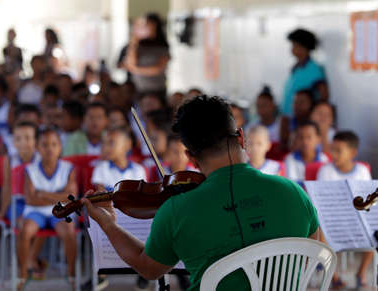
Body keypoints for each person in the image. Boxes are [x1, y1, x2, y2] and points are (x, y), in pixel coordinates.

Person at [81, 95, 319, 291]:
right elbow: (312, 252)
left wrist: (109, 224)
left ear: (190, 157)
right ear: (242, 138)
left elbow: (149, 268)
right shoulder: (293, 192)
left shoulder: (177, 209)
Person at [17, 127, 77, 290]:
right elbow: (30, 199)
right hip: (36, 212)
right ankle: (22, 273)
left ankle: (71, 273)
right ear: (37, 148)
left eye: (54, 144)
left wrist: (42, 193)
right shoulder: (30, 169)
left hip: (61, 212)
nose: (49, 148)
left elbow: (72, 197)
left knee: (69, 232)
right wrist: (59, 196)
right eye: (44, 145)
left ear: (60, 147)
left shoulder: (68, 168)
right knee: (25, 231)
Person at [91, 126, 148, 290]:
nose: (106, 147)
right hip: (110, 212)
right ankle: (100, 275)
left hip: (133, 214)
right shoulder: (101, 168)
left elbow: (140, 198)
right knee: (99, 226)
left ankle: (143, 271)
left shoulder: (139, 169)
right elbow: (101, 196)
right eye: (104, 143)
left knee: (144, 229)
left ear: (127, 146)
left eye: (111, 143)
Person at [0, 121, 42, 266]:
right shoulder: (9, 160)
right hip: (17, 203)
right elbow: (7, 187)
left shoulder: (40, 159)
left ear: (35, 141)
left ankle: (31, 257)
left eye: (28, 138)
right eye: (19, 139)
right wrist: (2, 210)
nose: (23, 142)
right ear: (13, 142)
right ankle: (23, 262)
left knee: (37, 221)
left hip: (37, 203)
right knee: (23, 224)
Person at [317, 131, 372, 288]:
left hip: (355, 220)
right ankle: (334, 278)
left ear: (353, 153)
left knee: (374, 234)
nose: (333, 154)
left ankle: (361, 273)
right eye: (332, 150)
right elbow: (321, 200)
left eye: (338, 150)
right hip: (332, 221)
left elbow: (367, 198)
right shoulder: (325, 170)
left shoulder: (362, 171)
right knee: (320, 234)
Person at [282, 28, 328, 116]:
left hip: (302, 119)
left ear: (304, 47)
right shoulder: (297, 67)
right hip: (289, 117)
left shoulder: (314, 69)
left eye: (294, 45)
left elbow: (324, 95)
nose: (292, 49)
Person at [124, 13, 170, 101]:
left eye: (148, 25)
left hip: (157, 90)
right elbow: (130, 63)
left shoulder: (163, 47)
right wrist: (133, 42)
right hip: (139, 89)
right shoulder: (138, 46)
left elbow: (158, 69)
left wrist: (136, 70)